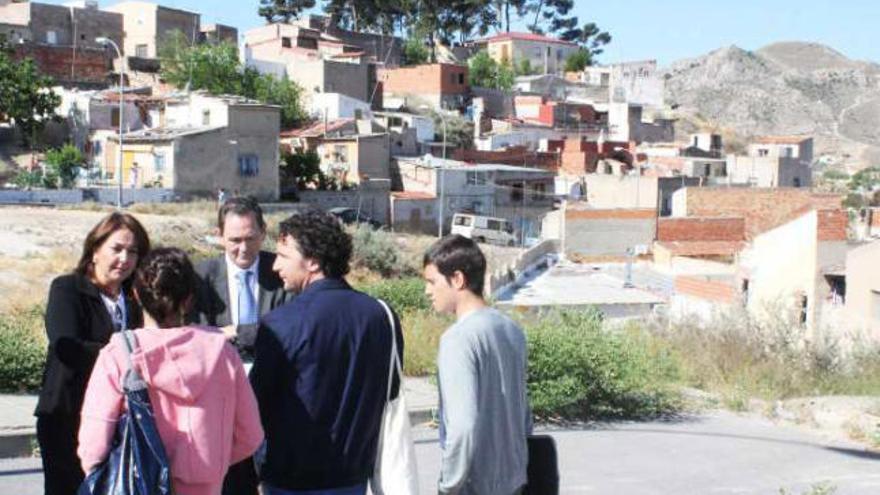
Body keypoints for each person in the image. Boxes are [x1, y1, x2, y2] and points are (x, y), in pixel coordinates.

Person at [78, 247, 265, 495]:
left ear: (135, 294)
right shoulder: (223, 353)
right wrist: (212, 462)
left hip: (139, 483)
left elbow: (93, 445)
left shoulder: (118, 355)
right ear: (189, 299)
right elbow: (250, 435)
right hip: (206, 484)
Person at [250, 209, 403, 495]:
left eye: (284, 256)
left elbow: (256, 406)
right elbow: (389, 392)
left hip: (291, 482)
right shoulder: (380, 316)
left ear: (313, 261)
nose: (274, 266)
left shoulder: (281, 324)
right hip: (354, 480)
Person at [35, 212, 151, 495]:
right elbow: (66, 346)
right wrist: (124, 355)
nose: (124, 259)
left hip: (120, 420)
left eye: (132, 252)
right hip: (67, 416)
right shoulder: (68, 289)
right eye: (117, 249)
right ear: (95, 250)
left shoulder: (137, 298)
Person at [191, 196, 289, 495]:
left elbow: (288, 330)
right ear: (219, 235)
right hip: (220, 401)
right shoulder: (200, 277)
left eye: (250, 238)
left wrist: (236, 332)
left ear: (263, 232)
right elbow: (196, 336)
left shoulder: (282, 271)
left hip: (274, 397)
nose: (243, 248)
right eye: (234, 240)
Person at [422, 235, 531, 495]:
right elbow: (524, 415)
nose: (427, 291)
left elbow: (462, 426)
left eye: (431, 282)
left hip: (474, 485)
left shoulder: (458, 339)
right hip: (513, 481)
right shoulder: (511, 329)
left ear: (457, 280)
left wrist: (447, 486)